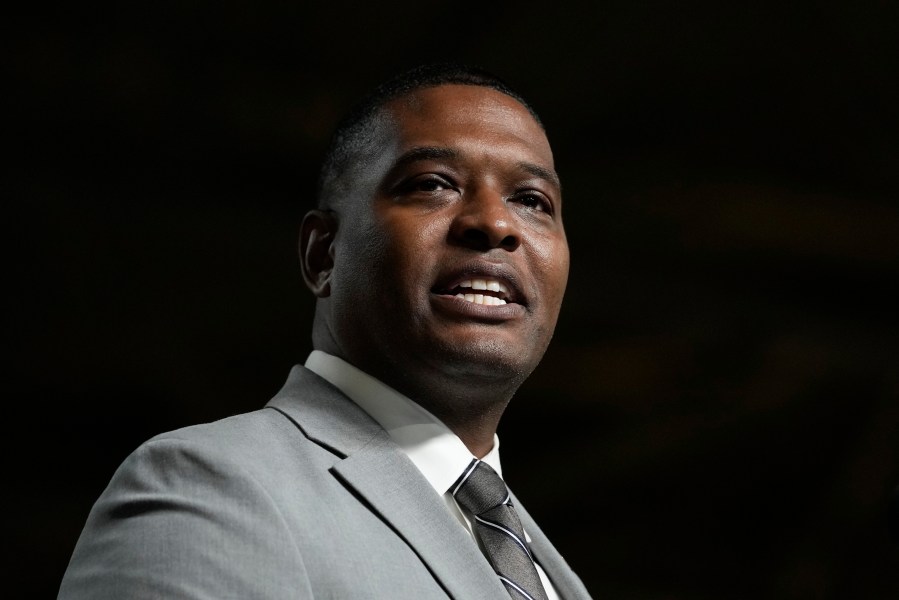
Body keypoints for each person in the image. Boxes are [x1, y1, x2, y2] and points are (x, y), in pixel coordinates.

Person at [59, 63, 591, 600]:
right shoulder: (208, 485)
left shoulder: (538, 562)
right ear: (323, 254)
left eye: (531, 201)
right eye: (433, 183)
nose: (496, 223)